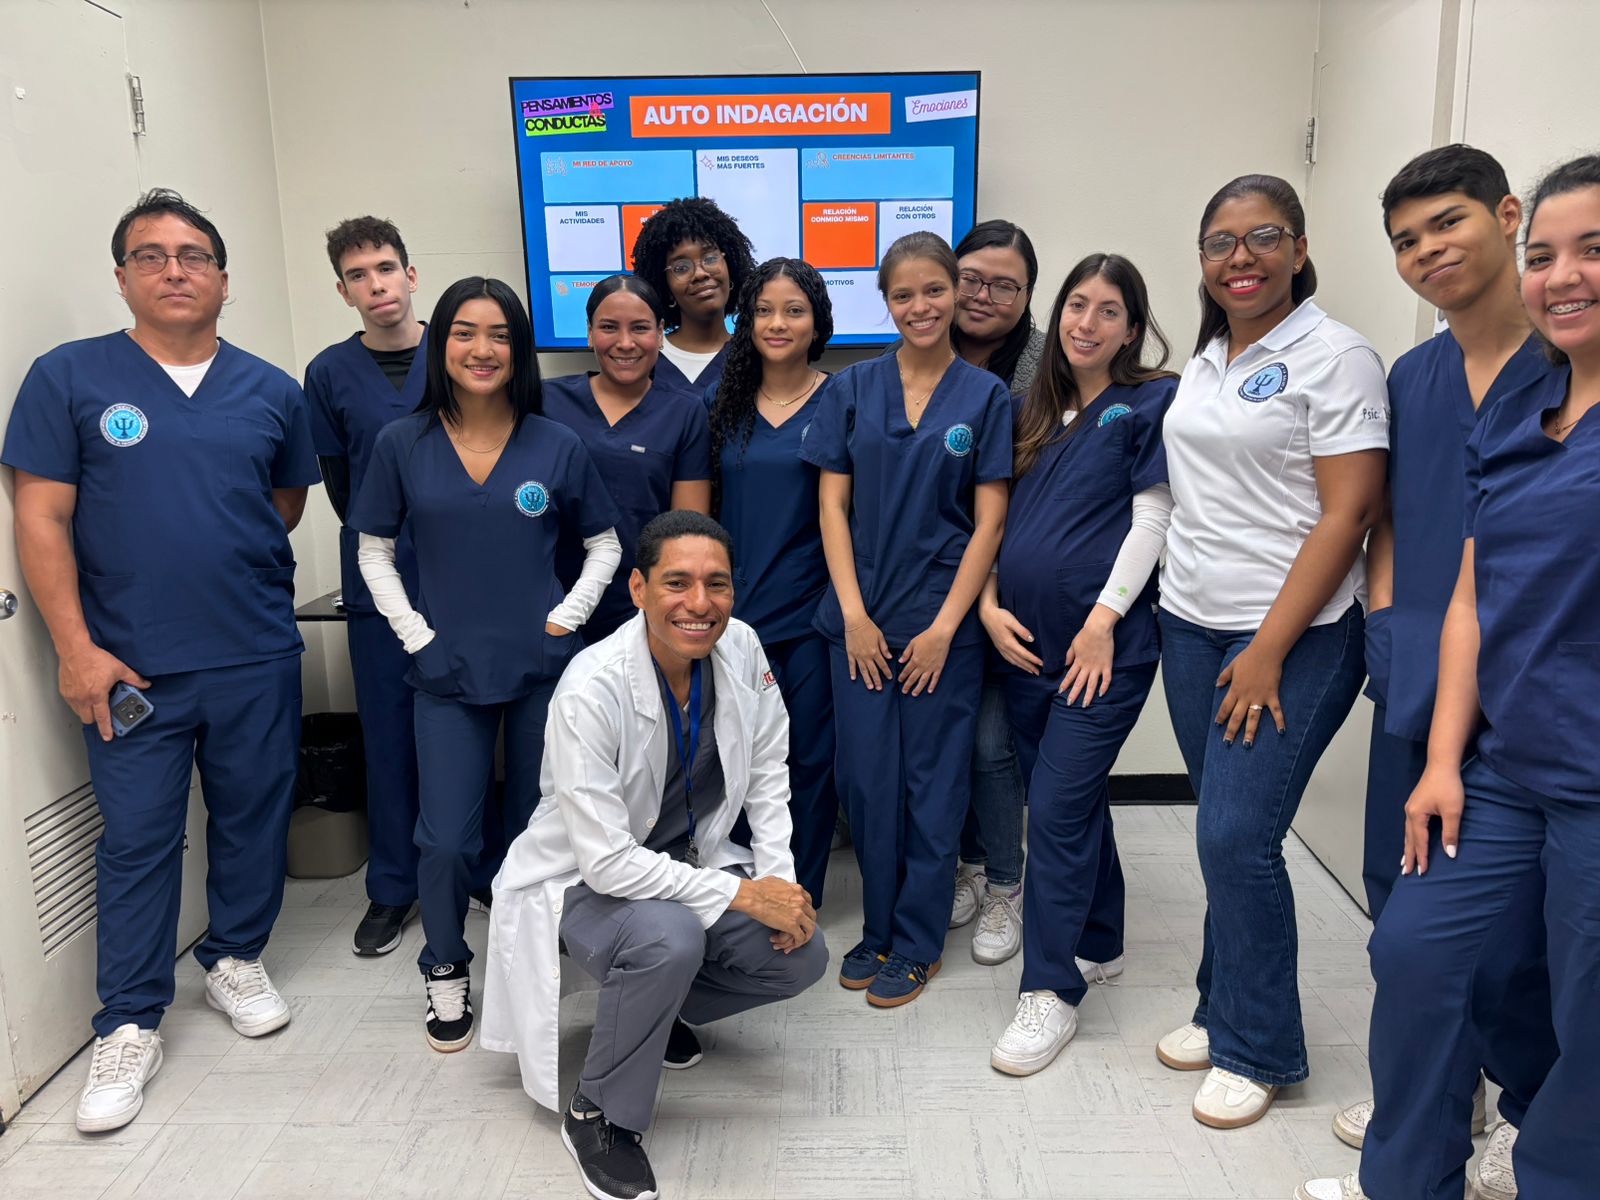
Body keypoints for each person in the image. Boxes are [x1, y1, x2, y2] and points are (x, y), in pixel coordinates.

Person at [1299, 151, 1600, 1200]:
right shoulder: (1445, 385)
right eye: (1404, 238)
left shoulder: (1553, 373)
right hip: (1441, 701)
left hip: (1557, 736)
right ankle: (1427, 1130)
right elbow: (1410, 534)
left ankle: (1527, 1122)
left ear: (1499, 217)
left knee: (1536, 971)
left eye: (1447, 222)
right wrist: (1388, 630)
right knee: (1413, 935)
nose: (1427, 249)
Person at [2, 189, 319, 1131]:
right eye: (152, 256)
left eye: (192, 256)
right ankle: (129, 1021)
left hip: (254, 650)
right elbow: (40, 517)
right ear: (123, 277)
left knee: (255, 816)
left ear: (224, 278)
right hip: (129, 669)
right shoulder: (70, 379)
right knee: (138, 841)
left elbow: (287, 502)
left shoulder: (271, 390)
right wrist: (76, 650)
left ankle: (232, 956)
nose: (174, 270)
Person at [481, 511, 827, 1200]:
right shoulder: (592, 685)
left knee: (799, 957)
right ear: (638, 587)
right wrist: (741, 893)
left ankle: (648, 1015)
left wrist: (780, 889)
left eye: (717, 584)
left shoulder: (743, 648)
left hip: (685, 862)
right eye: (677, 582)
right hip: (584, 879)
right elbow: (607, 862)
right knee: (667, 940)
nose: (699, 604)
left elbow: (768, 773)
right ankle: (598, 1113)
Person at [1154, 175, 1387, 1128]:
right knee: (1225, 825)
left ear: (1298, 248)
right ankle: (1223, 1003)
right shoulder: (1207, 356)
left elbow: (1351, 514)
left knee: (1236, 838)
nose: (1239, 258)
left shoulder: (1336, 356)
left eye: (1262, 238)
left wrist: (1267, 648)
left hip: (1295, 634)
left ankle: (1261, 1049)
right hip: (1189, 620)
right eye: (1219, 242)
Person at [348, 277, 621, 1053]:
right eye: (465, 332)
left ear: (519, 350)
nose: (481, 349)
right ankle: (444, 967)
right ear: (442, 344)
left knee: (550, 828)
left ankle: (547, 960)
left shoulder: (555, 444)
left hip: (541, 667)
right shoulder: (403, 443)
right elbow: (372, 548)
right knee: (445, 840)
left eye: (499, 334)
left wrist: (566, 618)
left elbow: (603, 544)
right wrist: (414, 635)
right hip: (444, 671)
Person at [802, 231, 1012, 1007]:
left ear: (956, 294)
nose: (920, 306)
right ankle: (879, 929)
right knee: (867, 784)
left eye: (935, 290)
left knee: (932, 786)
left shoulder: (985, 398)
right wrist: (854, 616)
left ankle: (917, 941)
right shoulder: (852, 391)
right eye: (904, 294)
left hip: (937, 628)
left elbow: (988, 524)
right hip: (858, 625)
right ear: (884, 301)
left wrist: (946, 628)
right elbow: (831, 503)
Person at [982, 254, 1178, 1074]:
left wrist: (1102, 622)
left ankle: (1051, 990)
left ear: (1132, 328)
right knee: (1070, 797)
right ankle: (1100, 938)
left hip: (1103, 652)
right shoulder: (1038, 412)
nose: (1085, 323)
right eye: (1075, 306)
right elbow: (995, 522)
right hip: (1022, 644)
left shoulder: (1147, 404)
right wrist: (990, 605)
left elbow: (1153, 517)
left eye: (1107, 311)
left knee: (1056, 809)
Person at [303, 215, 430, 956]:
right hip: (378, 576)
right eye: (359, 275)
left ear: (410, 275)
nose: (376, 284)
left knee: (474, 728)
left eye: (386, 267)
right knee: (387, 732)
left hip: (463, 570)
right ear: (344, 290)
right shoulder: (328, 373)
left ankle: (474, 866)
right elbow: (343, 489)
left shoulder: (461, 351)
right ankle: (392, 886)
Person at [708, 256, 839, 906]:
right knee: (735, 763)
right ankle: (739, 893)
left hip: (812, 621)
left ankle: (800, 891)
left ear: (817, 321)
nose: (778, 322)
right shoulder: (721, 406)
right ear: (745, 320)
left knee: (810, 765)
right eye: (764, 310)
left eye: (794, 309)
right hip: (734, 624)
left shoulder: (840, 400)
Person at [940, 220, 1044, 966]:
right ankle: (969, 863)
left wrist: (988, 593)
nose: (983, 296)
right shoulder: (918, 362)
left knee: (989, 743)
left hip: (1016, 591)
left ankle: (1007, 880)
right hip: (934, 589)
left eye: (1004, 284)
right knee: (946, 741)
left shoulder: (1046, 371)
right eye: (970, 278)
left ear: (1029, 295)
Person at [543, 274, 711, 643]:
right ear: (589, 333)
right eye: (608, 327)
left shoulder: (684, 412)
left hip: (638, 609)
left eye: (640, 328)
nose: (625, 343)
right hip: (551, 602)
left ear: (661, 333)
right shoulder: (545, 402)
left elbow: (687, 531)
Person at [629, 196, 756, 393]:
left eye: (711, 258)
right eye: (681, 268)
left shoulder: (757, 356)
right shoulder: (645, 361)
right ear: (665, 287)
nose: (700, 273)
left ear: (730, 265)